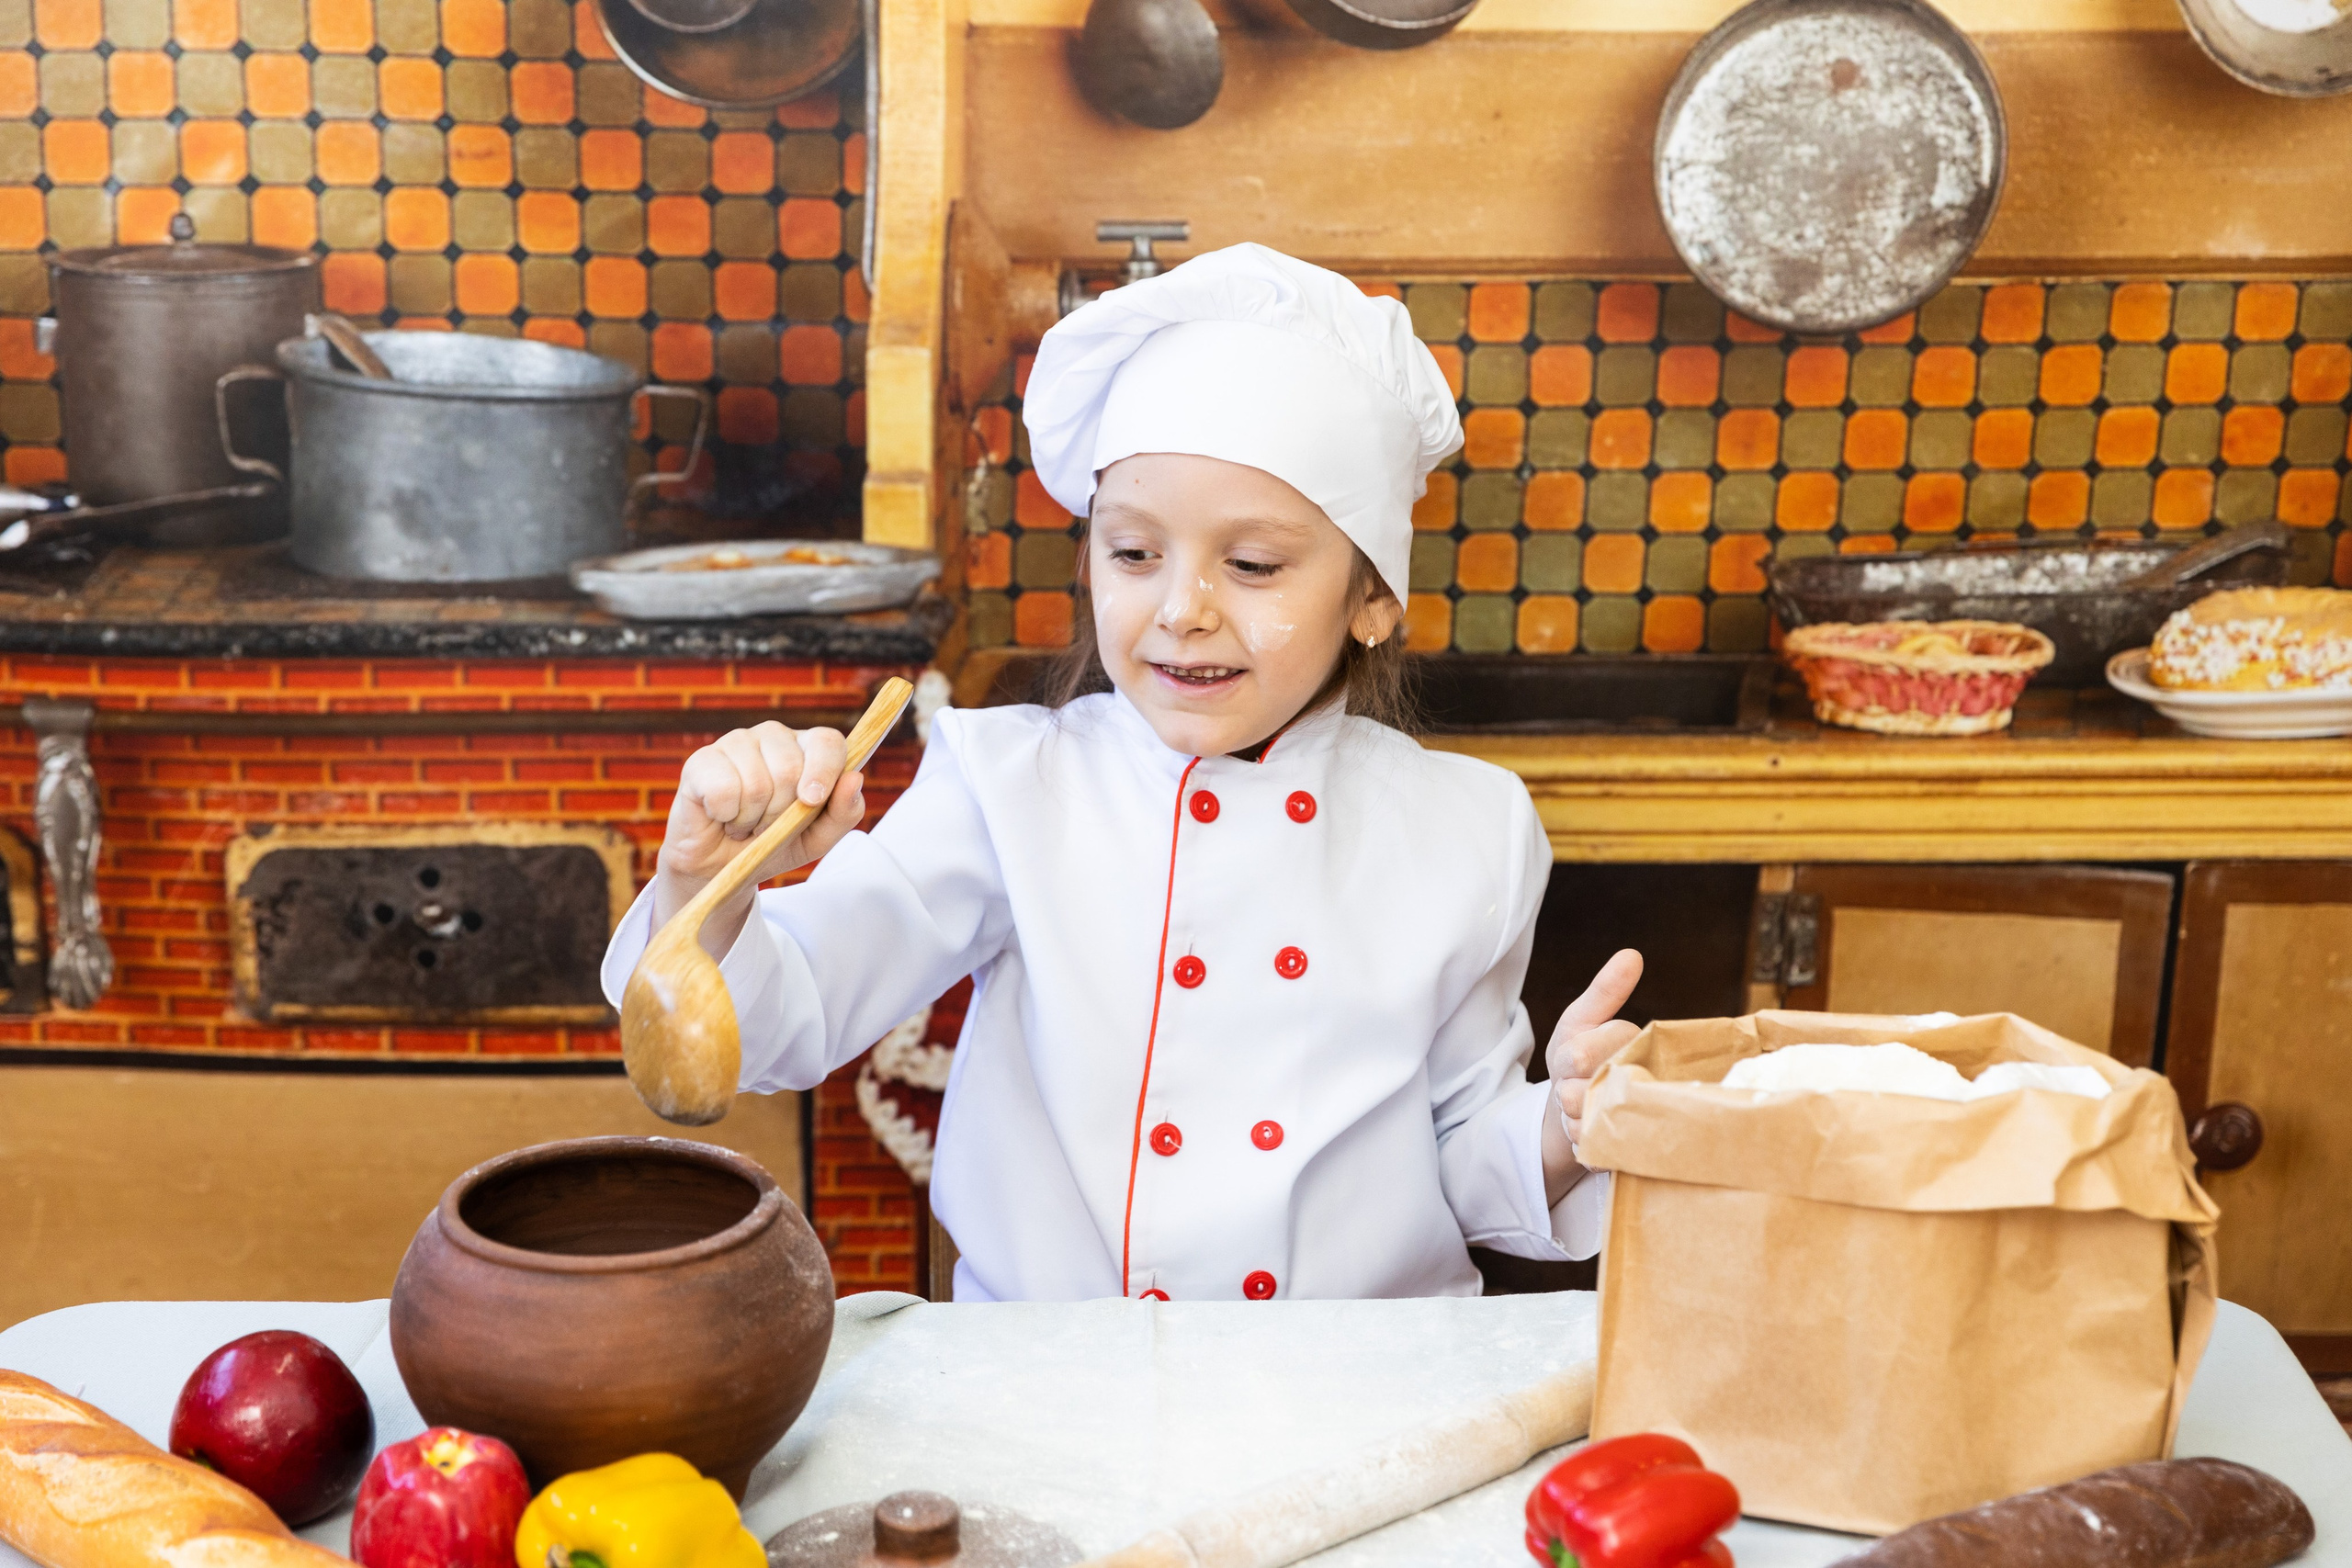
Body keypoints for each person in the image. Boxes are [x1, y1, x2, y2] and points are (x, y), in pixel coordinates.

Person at [601, 243, 1642, 1303]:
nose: (1181, 610)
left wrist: (1563, 1126)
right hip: (1055, 1372)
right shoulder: (1009, 788)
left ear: (1372, 597)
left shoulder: (1464, 829)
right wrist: (709, 890)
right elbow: (777, 1023)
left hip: (1357, 1371)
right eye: (1134, 554)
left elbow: (1461, 1157)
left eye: (1251, 565)